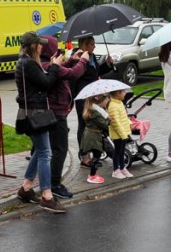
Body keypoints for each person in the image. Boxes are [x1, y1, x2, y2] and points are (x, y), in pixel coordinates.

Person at [15, 31, 65, 213]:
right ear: (33, 46)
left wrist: (51, 65)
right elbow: (46, 83)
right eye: (40, 44)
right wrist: (55, 67)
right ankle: (47, 195)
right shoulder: (28, 64)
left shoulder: (24, 62)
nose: (42, 46)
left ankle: (26, 188)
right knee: (45, 152)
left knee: (39, 150)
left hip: (31, 113)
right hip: (35, 113)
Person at [40, 35, 87, 200]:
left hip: (54, 110)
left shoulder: (44, 64)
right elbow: (73, 74)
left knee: (48, 150)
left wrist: (72, 60)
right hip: (57, 112)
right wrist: (83, 61)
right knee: (60, 149)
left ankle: (40, 183)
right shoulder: (48, 65)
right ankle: (54, 184)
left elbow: (60, 70)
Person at [71, 36, 114, 165]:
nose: (94, 46)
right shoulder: (77, 56)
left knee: (95, 123)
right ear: (84, 45)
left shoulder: (92, 56)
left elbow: (96, 72)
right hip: (83, 95)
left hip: (93, 94)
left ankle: (95, 151)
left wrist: (107, 64)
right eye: (91, 44)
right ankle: (84, 155)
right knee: (84, 125)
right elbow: (75, 75)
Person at [80, 94, 110, 184]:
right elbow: (104, 124)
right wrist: (109, 119)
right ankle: (92, 176)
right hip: (93, 136)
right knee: (97, 155)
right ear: (100, 101)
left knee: (96, 155)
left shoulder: (92, 109)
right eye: (106, 101)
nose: (107, 102)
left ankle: (93, 175)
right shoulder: (96, 112)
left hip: (90, 134)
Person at [107, 87, 133, 179]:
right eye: (123, 92)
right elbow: (115, 123)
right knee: (117, 151)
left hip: (123, 133)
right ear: (118, 93)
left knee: (122, 151)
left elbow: (124, 117)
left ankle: (122, 168)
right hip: (118, 134)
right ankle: (115, 170)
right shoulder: (113, 106)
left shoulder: (120, 103)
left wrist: (130, 123)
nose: (125, 93)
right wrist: (123, 135)